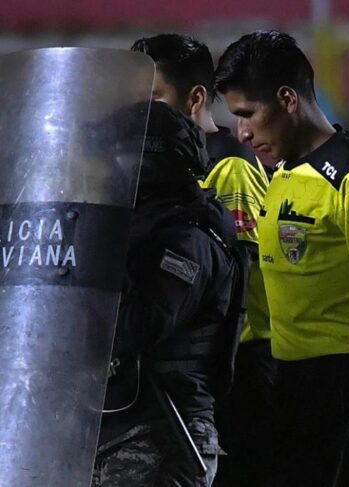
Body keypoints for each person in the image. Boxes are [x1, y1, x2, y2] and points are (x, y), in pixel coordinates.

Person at [215, 30, 349, 487]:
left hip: (343, 383)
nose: (242, 132)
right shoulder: (282, 173)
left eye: (248, 114)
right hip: (288, 381)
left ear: (287, 99)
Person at [130, 34, 275, 487]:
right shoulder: (153, 170)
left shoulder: (226, 169)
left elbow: (239, 286)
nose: (142, 112)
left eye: (154, 98)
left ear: (194, 99)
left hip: (227, 370)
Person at [93, 100, 242, 487]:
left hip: (165, 432)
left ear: (150, 162)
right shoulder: (138, 230)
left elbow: (140, 323)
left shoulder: (189, 239)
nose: (109, 171)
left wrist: (83, 292)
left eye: (119, 156)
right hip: (115, 426)